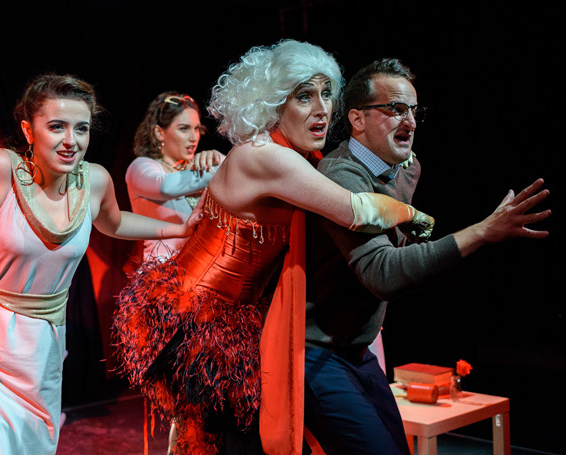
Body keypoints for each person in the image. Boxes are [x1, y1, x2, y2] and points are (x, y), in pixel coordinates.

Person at [112, 40, 436, 455]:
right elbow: (357, 209)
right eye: (304, 96)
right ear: (273, 104)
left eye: (326, 94)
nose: (322, 108)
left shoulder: (300, 155)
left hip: (243, 323)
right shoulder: (266, 155)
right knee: (218, 443)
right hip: (201, 322)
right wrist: (417, 217)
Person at [0, 73, 204, 455]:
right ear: (28, 130)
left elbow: (113, 222)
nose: (71, 141)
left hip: (41, 349)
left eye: (81, 129)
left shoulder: (94, 181)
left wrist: (181, 228)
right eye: (57, 127)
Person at [304, 58, 550, 455]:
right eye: (395, 109)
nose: (410, 121)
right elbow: (382, 274)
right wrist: (482, 232)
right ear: (357, 119)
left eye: (414, 110)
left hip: (356, 348)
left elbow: (395, 250)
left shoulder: (405, 167)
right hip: (314, 353)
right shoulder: (341, 177)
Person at [127, 91, 225, 261]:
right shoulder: (141, 166)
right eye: (183, 129)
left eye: (196, 129)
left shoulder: (197, 166)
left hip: (202, 269)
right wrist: (221, 168)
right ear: (159, 133)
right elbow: (166, 187)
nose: (193, 138)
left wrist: (218, 159)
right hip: (162, 274)